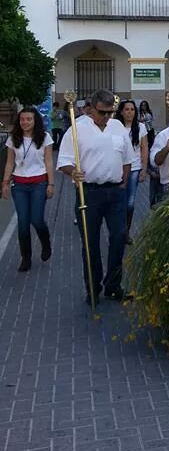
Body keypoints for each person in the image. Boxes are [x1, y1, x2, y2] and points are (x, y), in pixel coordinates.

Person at [57, 89, 133, 305]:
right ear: (91, 108)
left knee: (119, 237)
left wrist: (123, 182)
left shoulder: (117, 126)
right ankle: (93, 287)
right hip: (88, 192)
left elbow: (127, 158)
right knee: (90, 243)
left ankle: (113, 285)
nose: (107, 117)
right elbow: (63, 161)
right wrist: (73, 171)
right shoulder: (77, 128)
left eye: (110, 112)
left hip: (116, 192)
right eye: (102, 112)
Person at [1, 107, 54, 272]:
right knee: (23, 223)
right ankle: (26, 257)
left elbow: (49, 161)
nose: (25, 122)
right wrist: (4, 183)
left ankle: (45, 242)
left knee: (36, 220)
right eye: (22, 119)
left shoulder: (45, 138)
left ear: (35, 120)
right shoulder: (13, 138)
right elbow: (9, 162)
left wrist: (51, 184)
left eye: (28, 119)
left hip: (39, 183)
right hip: (20, 185)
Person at [109, 100, 148, 245]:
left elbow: (144, 148)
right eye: (127, 109)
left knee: (130, 203)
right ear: (121, 112)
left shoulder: (141, 127)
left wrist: (144, 169)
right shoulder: (114, 127)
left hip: (134, 168)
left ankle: (126, 232)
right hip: (117, 168)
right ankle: (117, 231)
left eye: (132, 109)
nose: (130, 112)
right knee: (119, 201)